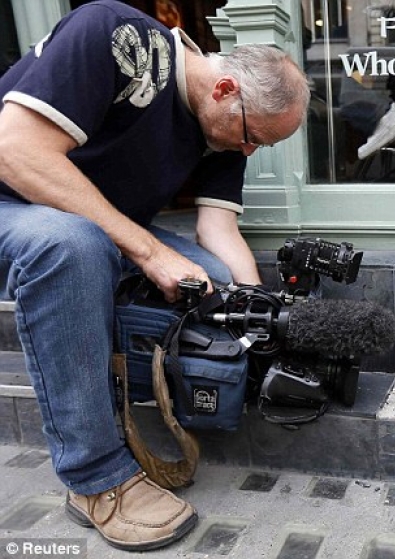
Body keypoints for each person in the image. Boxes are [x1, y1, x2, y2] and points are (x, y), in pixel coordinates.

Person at [0, 0, 309, 552]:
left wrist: (262, 317)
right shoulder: (116, 35)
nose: (249, 150)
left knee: (210, 280)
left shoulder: (228, 127)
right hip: (13, 199)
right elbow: (15, 150)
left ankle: (118, 383)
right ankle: (95, 476)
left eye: (259, 144)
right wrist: (147, 250)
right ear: (224, 90)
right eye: (251, 139)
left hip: (94, 226)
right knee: (71, 246)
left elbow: (218, 233)